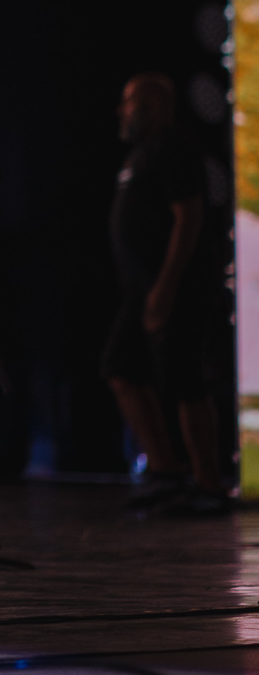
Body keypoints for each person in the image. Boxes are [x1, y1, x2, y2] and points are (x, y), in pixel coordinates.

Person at [102, 71, 225, 513]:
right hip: (142, 290)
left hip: (177, 287)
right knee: (122, 369)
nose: (122, 110)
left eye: (129, 102)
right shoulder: (141, 153)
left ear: (154, 106)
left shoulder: (173, 147)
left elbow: (188, 216)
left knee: (186, 379)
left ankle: (209, 486)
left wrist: (166, 287)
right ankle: (165, 472)